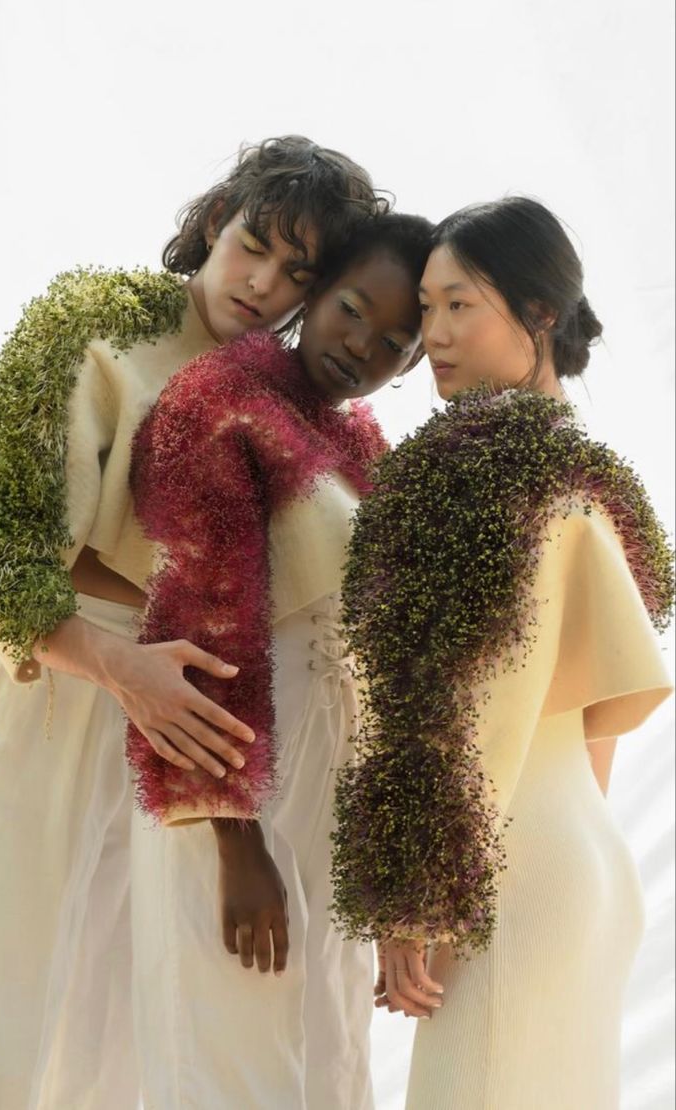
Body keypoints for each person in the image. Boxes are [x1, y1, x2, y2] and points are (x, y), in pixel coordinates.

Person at [0, 135, 386, 1110]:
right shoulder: (92, 320)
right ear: (213, 219)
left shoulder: (283, 390)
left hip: (188, 722)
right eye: (251, 244)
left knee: (136, 1019)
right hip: (61, 686)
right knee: (14, 982)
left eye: (296, 272)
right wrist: (116, 667)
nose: (261, 283)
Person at [330, 197, 675, 1109]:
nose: (429, 335)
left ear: (539, 315)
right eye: (428, 309)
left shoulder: (463, 467)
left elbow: (445, 701)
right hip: (587, 879)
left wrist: (413, 896)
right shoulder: (590, 476)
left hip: (503, 891)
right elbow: (594, 719)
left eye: (458, 306)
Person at [126, 212, 435, 1109]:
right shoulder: (220, 399)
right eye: (349, 309)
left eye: (394, 340)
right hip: (240, 785)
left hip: (328, 789)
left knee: (327, 1051)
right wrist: (235, 837)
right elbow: (193, 633)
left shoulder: (359, 440)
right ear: (316, 291)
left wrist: (388, 879)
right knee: (234, 1053)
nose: (361, 345)